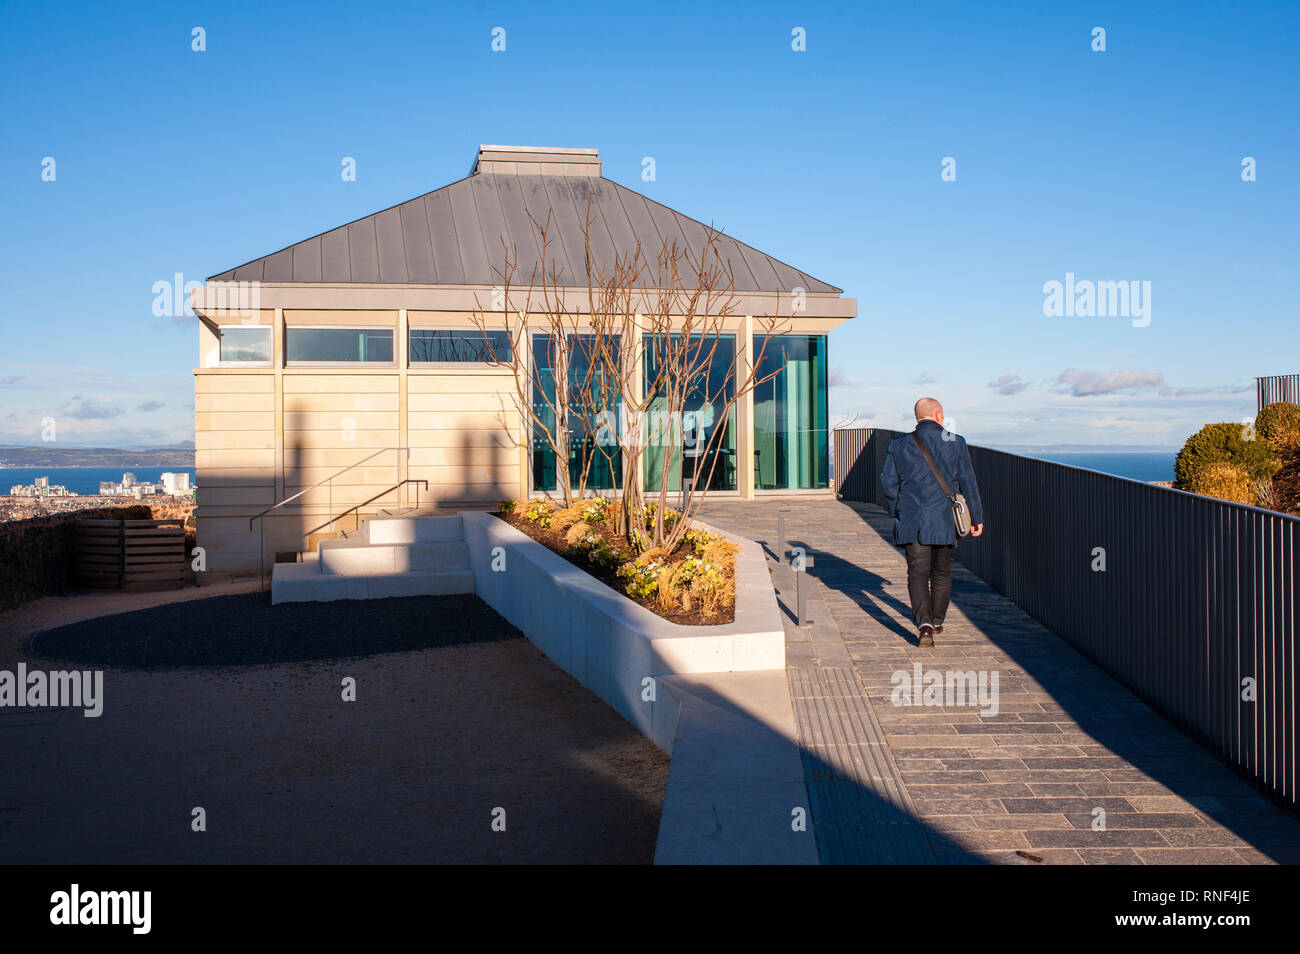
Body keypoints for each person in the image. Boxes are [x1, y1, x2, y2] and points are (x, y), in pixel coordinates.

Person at [879, 398, 984, 647]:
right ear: (940, 415)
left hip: (912, 519)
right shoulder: (956, 442)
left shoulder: (899, 444)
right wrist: (976, 517)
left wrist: (900, 507)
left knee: (917, 573)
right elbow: (968, 482)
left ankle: (923, 625)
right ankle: (937, 620)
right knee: (941, 572)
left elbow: (888, 483)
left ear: (917, 417)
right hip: (944, 519)